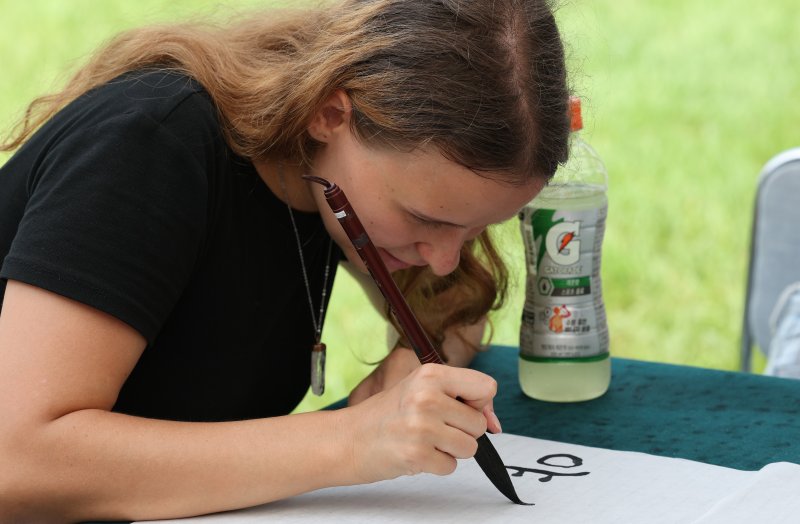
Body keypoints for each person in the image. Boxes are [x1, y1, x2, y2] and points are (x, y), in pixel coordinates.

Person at [0, 0, 570, 520]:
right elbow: (18, 461)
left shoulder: (323, 177)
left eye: (474, 231)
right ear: (329, 113)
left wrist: (421, 354)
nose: (444, 260)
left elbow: (455, 304)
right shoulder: (150, 146)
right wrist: (352, 440)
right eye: (426, 220)